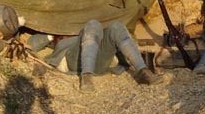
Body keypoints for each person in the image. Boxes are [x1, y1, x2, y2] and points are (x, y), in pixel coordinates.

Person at [29, 19, 163, 91]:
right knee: (94, 24)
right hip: (73, 61)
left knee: (116, 26)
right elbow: (32, 43)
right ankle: (86, 78)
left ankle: (143, 71)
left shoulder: (86, 32)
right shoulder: (61, 37)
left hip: (98, 64)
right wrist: (51, 36)